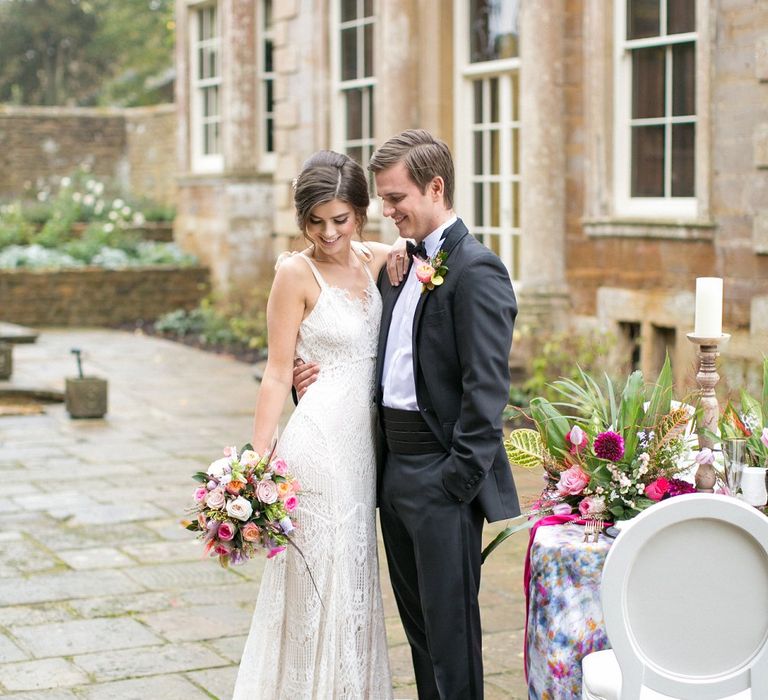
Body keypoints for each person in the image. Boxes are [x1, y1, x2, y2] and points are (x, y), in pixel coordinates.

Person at [295, 129, 519, 699]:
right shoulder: (398, 265)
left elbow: (486, 389)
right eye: (383, 199)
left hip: (441, 477)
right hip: (391, 471)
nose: (387, 211)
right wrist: (309, 385)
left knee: (451, 638)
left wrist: (457, 481)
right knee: (419, 636)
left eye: (396, 198)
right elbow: (368, 355)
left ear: (435, 188)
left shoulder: (476, 269)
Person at [232, 150, 396, 699]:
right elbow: (278, 372)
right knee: (318, 582)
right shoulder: (294, 273)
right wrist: (255, 466)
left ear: (360, 214)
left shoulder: (377, 259)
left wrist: (406, 254)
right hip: (319, 446)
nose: (328, 233)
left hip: (363, 449)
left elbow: (420, 249)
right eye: (315, 221)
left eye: (340, 219)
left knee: (354, 577)